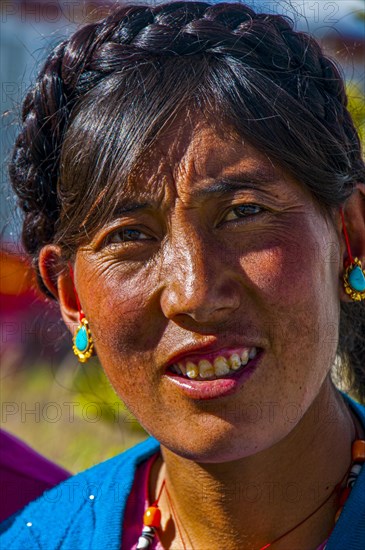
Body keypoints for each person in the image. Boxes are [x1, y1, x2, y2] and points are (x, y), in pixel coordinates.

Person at [1, 2, 365, 548]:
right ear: (71, 293)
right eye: (129, 236)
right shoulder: (43, 539)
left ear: (351, 235)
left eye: (243, 213)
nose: (194, 294)